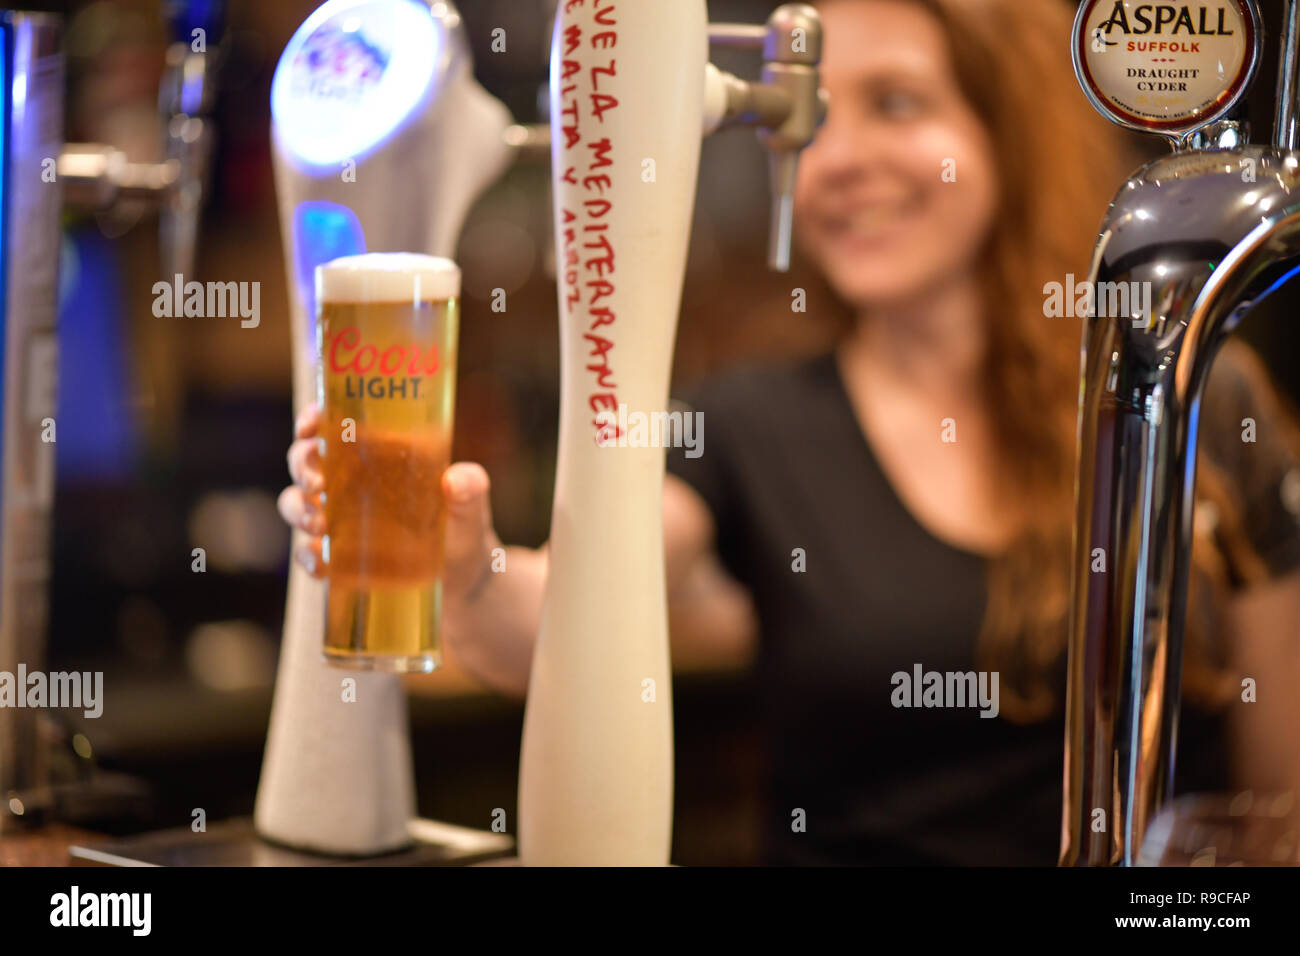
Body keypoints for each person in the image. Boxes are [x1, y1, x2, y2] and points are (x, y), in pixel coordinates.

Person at [278, 0, 1300, 865]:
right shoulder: (753, 424)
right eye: (817, 125)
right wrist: (468, 564)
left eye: (895, 104)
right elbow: (560, 626)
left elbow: (1283, 793)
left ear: (1009, 129)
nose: (841, 160)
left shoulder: (1191, 388)